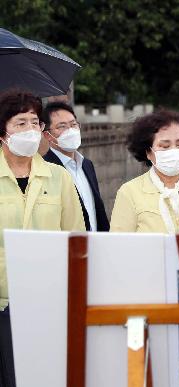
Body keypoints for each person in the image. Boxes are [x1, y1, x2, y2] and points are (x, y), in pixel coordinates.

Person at [0, 89, 85, 387]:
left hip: (49, 298)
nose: (30, 130)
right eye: (20, 123)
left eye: (35, 122)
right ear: (2, 132)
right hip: (2, 301)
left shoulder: (58, 177)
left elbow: (77, 238)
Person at [42, 102, 110, 231]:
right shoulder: (45, 168)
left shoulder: (87, 165)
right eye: (61, 126)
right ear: (47, 135)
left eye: (73, 125)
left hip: (95, 243)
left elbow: (97, 209)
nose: (70, 131)